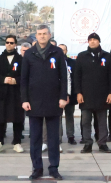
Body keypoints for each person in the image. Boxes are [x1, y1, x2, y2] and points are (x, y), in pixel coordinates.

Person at [21, 24, 67, 180]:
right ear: (36, 35)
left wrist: (63, 97)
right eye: (39, 34)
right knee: (35, 138)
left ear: (49, 35)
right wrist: (25, 100)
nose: (41, 36)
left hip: (54, 101)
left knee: (53, 138)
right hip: (34, 101)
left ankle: (54, 167)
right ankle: (37, 168)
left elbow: (63, 77)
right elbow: (24, 79)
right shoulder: (29, 54)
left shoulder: (57, 52)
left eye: (44, 34)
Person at [75, 33, 111, 154]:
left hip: (102, 95)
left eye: (95, 40)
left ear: (99, 41)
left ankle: (102, 143)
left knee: (102, 122)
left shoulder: (107, 56)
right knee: (85, 121)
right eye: (90, 40)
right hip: (86, 96)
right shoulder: (82, 56)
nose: (92, 42)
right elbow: (77, 76)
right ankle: (87, 143)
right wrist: (78, 93)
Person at [0, 35, 25, 153]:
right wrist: (3, 80)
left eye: (11, 43)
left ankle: (17, 142)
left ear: (15, 44)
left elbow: (25, 76)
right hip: (2, 94)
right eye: (7, 42)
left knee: (18, 119)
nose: (9, 44)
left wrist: (16, 80)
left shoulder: (21, 59)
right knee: (0, 119)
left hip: (16, 94)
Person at [59, 44, 78, 145]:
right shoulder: (55, 62)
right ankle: (59, 137)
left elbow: (75, 78)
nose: (61, 51)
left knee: (69, 116)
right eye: (59, 49)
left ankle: (71, 136)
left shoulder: (72, 62)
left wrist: (71, 94)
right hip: (58, 96)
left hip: (70, 95)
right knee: (58, 117)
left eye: (63, 50)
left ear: (66, 51)